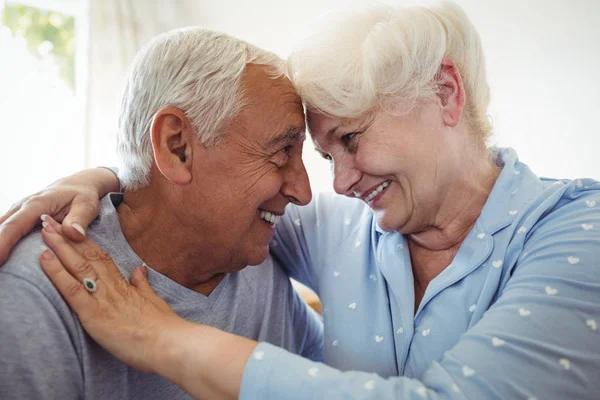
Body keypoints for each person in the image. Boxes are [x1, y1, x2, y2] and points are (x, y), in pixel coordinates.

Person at [2, 2, 600, 399]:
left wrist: (161, 337)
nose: (332, 185)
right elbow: (181, 195)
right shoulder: (336, 225)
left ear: (445, 93)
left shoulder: (577, 230)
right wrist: (105, 176)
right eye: (317, 151)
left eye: (353, 138)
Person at [0, 27, 324, 399]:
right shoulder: (36, 293)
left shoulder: (259, 266)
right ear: (177, 147)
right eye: (282, 152)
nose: (303, 192)